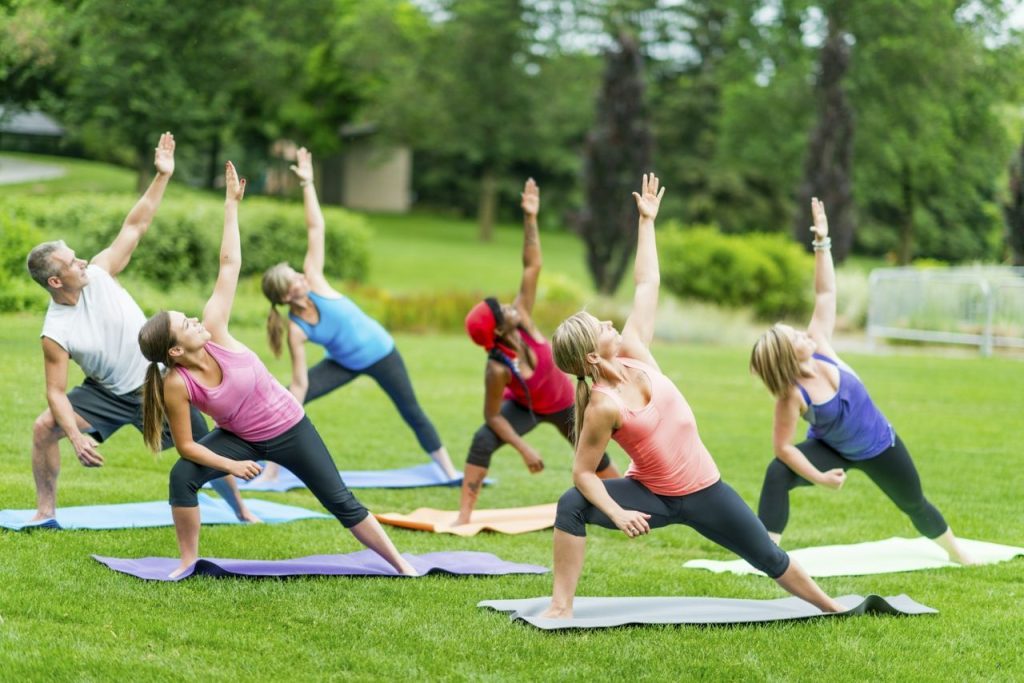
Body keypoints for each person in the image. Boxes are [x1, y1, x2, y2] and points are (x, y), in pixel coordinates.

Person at [541, 174, 843, 619]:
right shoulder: (603, 404)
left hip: (706, 491)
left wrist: (646, 223)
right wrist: (618, 513)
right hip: (653, 497)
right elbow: (583, 474)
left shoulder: (634, 351)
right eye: (600, 327)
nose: (610, 323)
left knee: (768, 557)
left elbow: (648, 285)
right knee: (571, 506)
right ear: (589, 356)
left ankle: (833, 608)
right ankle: (560, 606)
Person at [139, 161, 416, 578]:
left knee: (340, 500)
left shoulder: (214, 330)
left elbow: (228, 264)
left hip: (291, 428)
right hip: (240, 440)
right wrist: (230, 465)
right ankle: (186, 561)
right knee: (183, 476)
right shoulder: (177, 384)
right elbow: (187, 447)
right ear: (176, 349)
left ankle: (401, 564)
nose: (196, 320)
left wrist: (231, 205)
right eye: (185, 323)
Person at [24, 132, 254, 524]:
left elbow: (137, 224)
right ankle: (45, 512)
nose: (81, 262)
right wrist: (77, 439)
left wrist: (162, 175)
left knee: (201, 445)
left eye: (77, 257)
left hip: (159, 382)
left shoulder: (99, 272)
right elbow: (55, 393)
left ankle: (243, 512)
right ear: (55, 282)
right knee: (44, 428)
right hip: (108, 393)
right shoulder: (55, 332)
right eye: (71, 263)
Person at [748, 198, 974, 564]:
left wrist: (822, 242)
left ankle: (957, 552)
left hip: (878, 445)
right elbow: (784, 449)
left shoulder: (820, 345)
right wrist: (820, 479)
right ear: (789, 357)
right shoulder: (792, 396)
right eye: (797, 339)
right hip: (832, 448)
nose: (805, 335)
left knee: (914, 503)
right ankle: (765, 555)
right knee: (778, 474)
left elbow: (825, 293)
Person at [257, 147, 457, 483]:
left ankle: (449, 471)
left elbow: (315, 229)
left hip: (381, 353)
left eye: (299, 275)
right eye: (295, 281)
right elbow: (301, 382)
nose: (303, 278)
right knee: (288, 401)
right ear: (287, 295)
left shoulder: (316, 281)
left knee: (412, 411)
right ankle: (271, 469)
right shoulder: (297, 328)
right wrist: (292, 405)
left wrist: (308, 184)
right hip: (344, 363)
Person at [457, 178, 620, 526]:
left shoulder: (524, 320)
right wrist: (523, 448)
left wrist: (530, 217)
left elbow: (532, 266)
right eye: (503, 311)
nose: (509, 306)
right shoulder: (496, 368)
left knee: (594, 456)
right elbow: (493, 416)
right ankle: (463, 516)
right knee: (482, 440)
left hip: (563, 403)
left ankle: (621, 505)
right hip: (526, 409)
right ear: (499, 330)